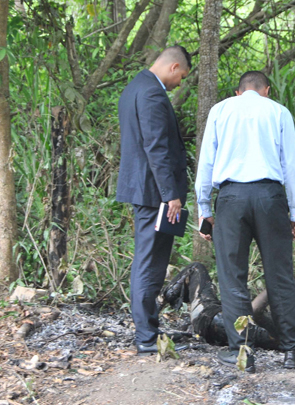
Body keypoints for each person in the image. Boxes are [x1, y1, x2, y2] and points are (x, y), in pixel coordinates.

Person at [195, 71, 295, 373]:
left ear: (238, 91)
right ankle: (292, 352)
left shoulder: (220, 110)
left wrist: (204, 209)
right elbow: (291, 165)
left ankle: (242, 351)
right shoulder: (278, 112)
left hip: (231, 197)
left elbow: (206, 162)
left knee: (233, 277)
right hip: (271, 197)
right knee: (280, 275)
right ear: (266, 90)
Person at [116, 45, 191, 356]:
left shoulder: (135, 87)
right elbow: (155, 147)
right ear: (173, 67)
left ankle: (149, 328)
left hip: (145, 189)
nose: (180, 83)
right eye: (182, 76)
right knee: (150, 262)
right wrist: (170, 194)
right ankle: (146, 335)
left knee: (149, 259)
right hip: (153, 192)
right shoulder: (151, 93)